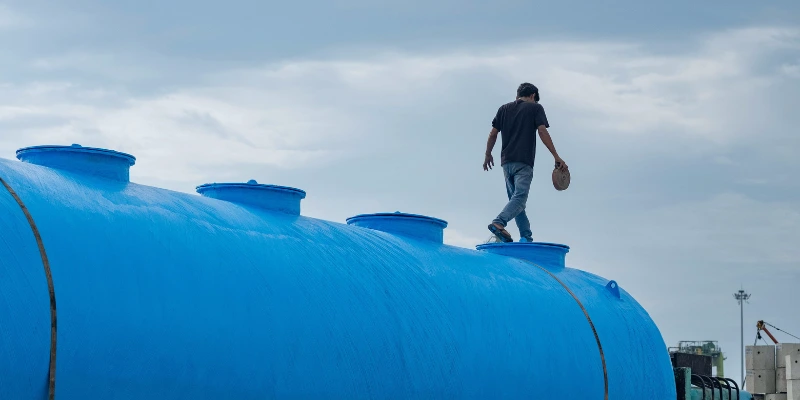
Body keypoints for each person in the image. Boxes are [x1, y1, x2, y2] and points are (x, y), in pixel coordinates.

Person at [483, 82, 568, 243]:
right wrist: (556, 156)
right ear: (533, 96)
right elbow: (542, 131)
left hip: (506, 162)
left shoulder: (503, 109)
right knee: (520, 198)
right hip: (523, 161)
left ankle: (526, 237)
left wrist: (488, 154)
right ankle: (499, 222)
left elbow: (493, 133)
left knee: (516, 201)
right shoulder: (535, 108)